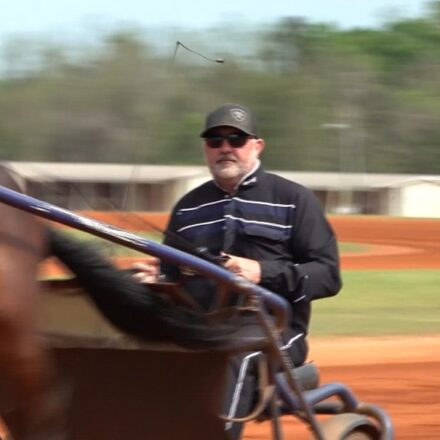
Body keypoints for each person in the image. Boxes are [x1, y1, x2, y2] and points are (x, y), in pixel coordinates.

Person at [50, 103, 341, 440]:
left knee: (230, 355)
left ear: (257, 145)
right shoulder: (188, 208)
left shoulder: (293, 200)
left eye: (236, 140)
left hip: (273, 329)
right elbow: (174, 276)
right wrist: (157, 280)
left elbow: (327, 274)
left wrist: (263, 271)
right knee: (133, 350)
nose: (225, 148)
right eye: (215, 141)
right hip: (200, 325)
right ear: (206, 149)